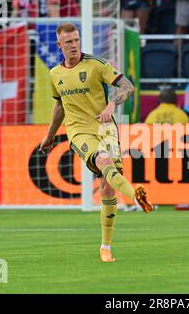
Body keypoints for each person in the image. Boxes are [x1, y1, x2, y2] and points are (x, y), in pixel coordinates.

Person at [39, 23, 155, 263]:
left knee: (106, 187)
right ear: (59, 45)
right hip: (79, 131)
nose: (74, 45)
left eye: (76, 40)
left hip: (105, 127)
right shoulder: (54, 74)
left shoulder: (96, 65)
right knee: (103, 161)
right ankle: (136, 196)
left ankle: (105, 247)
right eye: (68, 42)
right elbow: (59, 105)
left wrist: (112, 104)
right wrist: (50, 135)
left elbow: (127, 86)